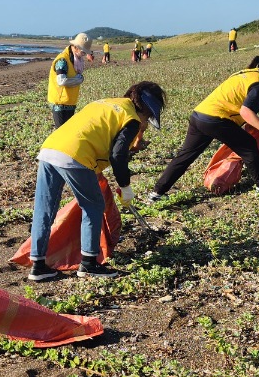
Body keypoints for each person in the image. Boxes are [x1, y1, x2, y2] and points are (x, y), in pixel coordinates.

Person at [28, 82, 166, 282]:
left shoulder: (104, 103)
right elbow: (118, 155)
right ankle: (89, 264)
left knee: (44, 209)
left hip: (49, 149)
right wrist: (126, 187)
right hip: (75, 155)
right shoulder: (131, 119)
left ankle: (38, 266)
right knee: (93, 207)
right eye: (149, 116)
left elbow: (96, 134)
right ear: (145, 108)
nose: (146, 121)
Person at [149, 55, 259, 199]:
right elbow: (246, 111)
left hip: (199, 116)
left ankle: (157, 192)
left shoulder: (246, 73)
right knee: (249, 146)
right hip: (216, 120)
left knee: (185, 155)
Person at [47, 32, 93, 128]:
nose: (84, 55)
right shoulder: (62, 60)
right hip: (59, 104)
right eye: (83, 52)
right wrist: (79, 79)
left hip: (70, 103)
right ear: (75, 47)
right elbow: (61, 81)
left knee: (68, 130)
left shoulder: (75, 60)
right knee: (61, 133)